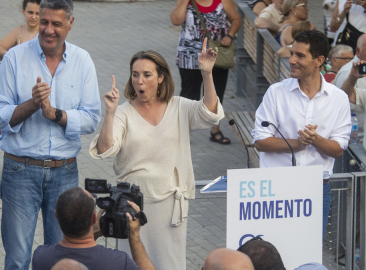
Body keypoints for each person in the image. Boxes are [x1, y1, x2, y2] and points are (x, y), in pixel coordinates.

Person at [89, 38, 224, 270]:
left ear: (161, 77)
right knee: (131, 265)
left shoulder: (179, 106)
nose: (139, 80)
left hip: (170, 206)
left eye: (147, 74)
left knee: (169, 264)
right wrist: (110, 113)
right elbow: (105, 149)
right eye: (135, 74)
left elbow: (210, 114)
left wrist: (206, 73)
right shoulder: (123, 112)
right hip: (131, 206)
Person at [0, 0, 101, 268]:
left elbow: (92, 119)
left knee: (64, 258)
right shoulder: (14, 58)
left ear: (70, 24)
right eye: (44, 22)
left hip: (65, 172)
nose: (49, 30)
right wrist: (32, 105)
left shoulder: (82, 60)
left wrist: (55, 114)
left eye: (57, 24)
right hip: (20, 171)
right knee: (17, 260)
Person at [252, 30, 351, 237]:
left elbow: (338, 149)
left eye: (300, 56)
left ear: (319, 61)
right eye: (292, 54)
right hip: (275, 189)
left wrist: (314, 139)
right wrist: (298, 144)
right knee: (272, 255)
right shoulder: (276, 92)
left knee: (309, 258)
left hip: (316, 190)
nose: (292, 61)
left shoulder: (338, 99)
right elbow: (260, 141)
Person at [171, 0, 241, 145]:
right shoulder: (186, 2)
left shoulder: (222, 1)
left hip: (217, 55)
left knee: (216, 94)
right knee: (189, 95)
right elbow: (176, 20)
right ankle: (182, 132)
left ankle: (215, 130)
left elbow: (236, 19)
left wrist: (230, 35)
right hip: (189, 56)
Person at [31, 187, 154, 270]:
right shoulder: (119, 262)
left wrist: (93, 235)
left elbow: (79, 252)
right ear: (94, 218)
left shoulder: (41, 257)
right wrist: (134, 235)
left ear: (56, 215)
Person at [335, 34, 366, 143]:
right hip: (355, 141)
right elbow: (344, 99)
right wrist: (352, 78)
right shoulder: (347, 72)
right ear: (358, 51)